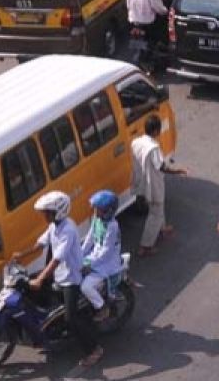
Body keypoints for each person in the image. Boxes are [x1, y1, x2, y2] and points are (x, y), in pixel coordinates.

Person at [11, 191, 103, 368]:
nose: (44, 215)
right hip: (60, 274)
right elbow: (41, 243)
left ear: (57, 212)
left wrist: (40, 278)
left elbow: (56, 259)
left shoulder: (67, 230)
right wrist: (21, 255)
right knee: (27, 287)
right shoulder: (55, 226)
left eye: (46, 212)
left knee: (71, 318)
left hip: (71, 279)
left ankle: (94, 350)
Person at [131, 116, 186, 256]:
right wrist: (178, 171)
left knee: (158, 208)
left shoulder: (136, 142)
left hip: (142, 180)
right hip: (153, 184)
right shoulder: (153, 148)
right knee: (155, 213)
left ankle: (162, 229)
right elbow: (161, 167)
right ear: (156, 130)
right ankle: (146, 246)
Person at [80, 190, 123, 322]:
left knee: (86, 286)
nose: (95, 212)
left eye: (98, 209)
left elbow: (106, 252)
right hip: (95, 258)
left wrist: (89, 264)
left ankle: (102, 308)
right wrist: (79, 255)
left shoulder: (112, 226)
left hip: (107, 264)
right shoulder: (96, 220)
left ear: (108, 211)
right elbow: (89, 239)